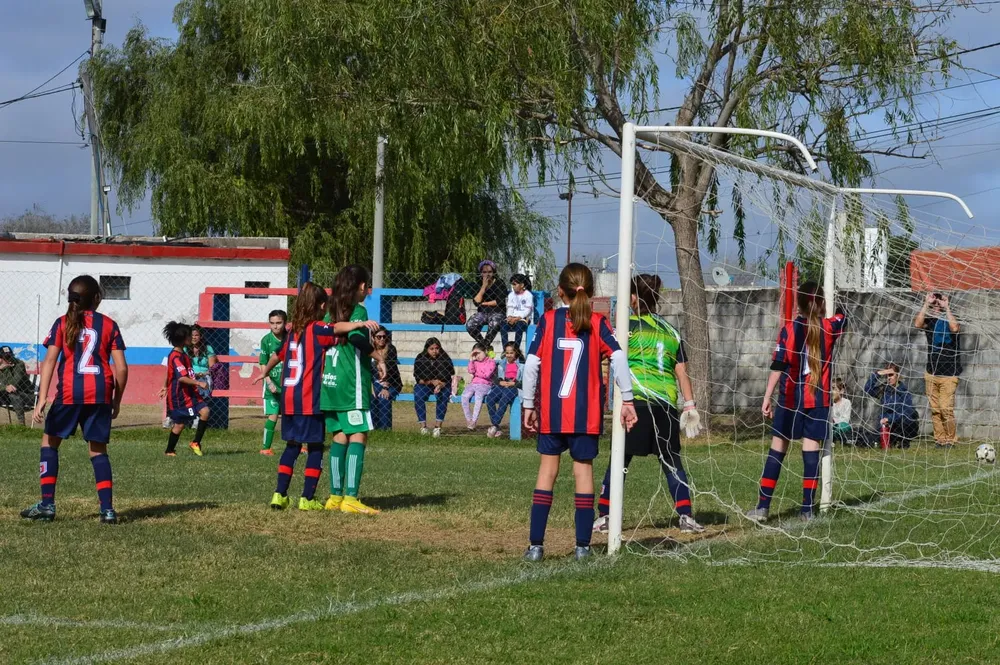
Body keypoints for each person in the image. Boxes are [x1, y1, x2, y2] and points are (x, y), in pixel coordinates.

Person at [521, 263, 638, 562]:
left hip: (553, 413)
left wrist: (528, 404)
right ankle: (582, 548)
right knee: (583, 473)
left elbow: (532, 364)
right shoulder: (598, 322)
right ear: (592, 291)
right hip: (585, 417)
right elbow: (619, 359)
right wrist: (627, 399)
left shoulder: (548, 320)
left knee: (547, 473)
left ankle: (536, 547)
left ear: (560, 292)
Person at [593, 274, 706, 535]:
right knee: (671, 461)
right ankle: (686, 515)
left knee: (620, 460)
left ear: (633, 297)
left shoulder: (624, 327)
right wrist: (690, 405)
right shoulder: (671, 331)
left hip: (636, 403)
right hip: (666, 405)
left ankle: (606, 514)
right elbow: (681, 372)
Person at [256, 281, 378, 511]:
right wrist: (358, 323)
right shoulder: (317, 329)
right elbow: (337, 329)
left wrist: (264, 372)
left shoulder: (292, 333)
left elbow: (277, 355)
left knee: (291, 446)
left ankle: (279, 494)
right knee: (314, 448)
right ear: (322, 306)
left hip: (289, 400)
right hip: (309, 399)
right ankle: (307, 498)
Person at [21, 275, 129, 524]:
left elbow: (49, 361)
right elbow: (121, 369)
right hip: (101, 393)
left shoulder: (61, 323)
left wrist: (42, 398)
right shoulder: (109, 325)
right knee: (98, 451)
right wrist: (117, 399)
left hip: (70, 394)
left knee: (49, 443)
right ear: (97, 299)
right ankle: (108, 510)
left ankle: (47, 504)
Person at [748, 281, 846, 523]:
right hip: (818, 400)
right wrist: (833, 299)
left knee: (777, 450)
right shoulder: (830, 328)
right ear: (821, 303)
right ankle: (806, 511)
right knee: (810, 453)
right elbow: (844, 315)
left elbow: (778, 366)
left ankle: (762, 507)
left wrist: (767, 396)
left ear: (799, 304)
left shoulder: (789, 330)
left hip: (790, 400)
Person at [321, 265, 386, 516]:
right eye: (367, 285)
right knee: (359, 435)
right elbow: (357, 338)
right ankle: (350, 497)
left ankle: (335, 496)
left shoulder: (329, 310)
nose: (367, 290)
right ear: (361, 286)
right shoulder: (358, 310)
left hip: (330, 383)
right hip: (351, 384)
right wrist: (377, 356)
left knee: (339, 436)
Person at [914, 292, 961, 447]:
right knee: (935, 409)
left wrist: (946, 307)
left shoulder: (951, 319)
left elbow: (954, 328)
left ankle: (950, 440)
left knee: (945, 408)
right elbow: (917, 324)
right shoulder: (931, 322)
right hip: (931, 372)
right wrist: (926, 303)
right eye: (934, 304)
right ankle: (939, 440)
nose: (936, 306)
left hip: (949, 374)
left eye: (938, 304)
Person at [161, 322, 211, 457]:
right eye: (190, 336)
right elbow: (181, 378)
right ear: (184, 338)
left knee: (205, 412)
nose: (192, 338)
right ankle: (169, 450)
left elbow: (173, 374)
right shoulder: (176, 357)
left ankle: (196, 442)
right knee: (179, 424)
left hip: (190, 392)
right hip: (179, 395)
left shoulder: (183, 354)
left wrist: (165, 386)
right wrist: (198, 383)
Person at [862, 363, 919, 449]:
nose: (889, 378)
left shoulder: (904, 392)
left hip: (900, 425)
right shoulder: (883, 390)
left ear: (898, 375)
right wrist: (877, 374)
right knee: (869, 438)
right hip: (886, 425)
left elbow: (907, 412)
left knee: (909, 417)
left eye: (891, 375)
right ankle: (890, 441)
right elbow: (867, 388)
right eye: (887, 376)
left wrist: (890, 419)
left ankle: (904, 441)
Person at [413, 337, 455, 438]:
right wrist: (431, 381)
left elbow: (449, 376)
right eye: (431, 349)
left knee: (443, 396)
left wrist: (440, 385)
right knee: (418, 394)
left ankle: (437, 427)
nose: (434, 351)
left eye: (437, 348)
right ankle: (423, 427)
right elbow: (418, 378)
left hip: (442, 385)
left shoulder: (445, 358)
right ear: (427, 349)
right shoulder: (420, 358)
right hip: (425, 384)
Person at [258, 309, 287, 456]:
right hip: (272, 385)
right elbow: (263, 363)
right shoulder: (266, 340)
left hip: (289, 385)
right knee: (273, 415)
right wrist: (268, 381)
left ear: (285, 323)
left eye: (279, 323)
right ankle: (265, 447)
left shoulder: (290, 338)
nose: (275, 326)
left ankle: (300, 445)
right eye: (272, 323)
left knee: (294, 416)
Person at [466, 259, 508, 353]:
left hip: (497, 312)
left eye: (490, 272)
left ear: (494, 272)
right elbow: (476, 302)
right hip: (483, 312)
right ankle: (485, 345)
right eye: (484, 272)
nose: (487, 274)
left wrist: (484, 303)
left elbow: (499, 301)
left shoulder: (499, 283)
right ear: (481, 273)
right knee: (470, 325)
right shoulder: (478, 284)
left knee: (494, 322)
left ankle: (484, 347)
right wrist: (483, 287)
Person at [485, 342, 523, 438]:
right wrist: (500, 382)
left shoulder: (522, 364)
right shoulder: (502, 363)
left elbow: (526, 380)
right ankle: (496, 426)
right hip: (503, 384)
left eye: (511, 353)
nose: (509, 355)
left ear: (516, 353)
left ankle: (494, 425)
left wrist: (514, 383)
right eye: (507, 353)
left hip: (514, 386)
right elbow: (495, 377)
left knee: (504, 398)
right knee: (489, 398)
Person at [370, 326, 401, 430]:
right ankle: (374, 428)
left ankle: (385, 430)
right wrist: (370, 385)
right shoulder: (369, 350)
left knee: (383, 397)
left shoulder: (391, 349)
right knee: (371, 397)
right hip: (374, 382)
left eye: (384, 337)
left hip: (392, 383)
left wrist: (386, 388)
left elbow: (392, 371)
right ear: (373, 338)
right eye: (379, 337)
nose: (382, 339)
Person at [461, 343, 496, 431]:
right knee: (464, 396)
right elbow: (470, 370)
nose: (477, 356)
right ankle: (469, 420)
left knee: (478, 396)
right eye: (475, 354)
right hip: (474, 383)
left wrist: (476, 374)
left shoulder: (491, 362)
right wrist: (471, 360)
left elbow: (487, 375)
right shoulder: (475, 362)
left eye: (479, 353)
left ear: (485, 351)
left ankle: (474, 420)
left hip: (485, 384)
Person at [0, 345, 34, 425]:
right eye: (6, 358)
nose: (9, 360)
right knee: (10, 393)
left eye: (10, 356)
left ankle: (21, 425)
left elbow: (14, 384)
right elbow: (6, 387)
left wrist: (5, 369)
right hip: (7, 396)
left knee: (13, 393)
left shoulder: (19, 364)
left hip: (27, 396)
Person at [501, 274, 534, 351]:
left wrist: (517, 318)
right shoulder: (511, 295)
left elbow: (527, 311)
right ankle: (506, 349)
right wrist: (509, 317)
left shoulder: (528, 295)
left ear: (522, 285)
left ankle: (516, 350)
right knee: (503, 326)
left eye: (515, 284)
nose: (513, 286)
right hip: (512, 318)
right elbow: (510, 308)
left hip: (523, 319)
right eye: (512, 284)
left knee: (519, 327)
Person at [186, 324, 217, 401]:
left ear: (201, 336)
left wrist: (203, 374)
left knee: (202, 382)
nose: (194, 337)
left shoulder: (208, 348)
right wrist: (194, 374)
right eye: (192, 335)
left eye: (196, 335)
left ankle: (199, 403)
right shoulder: (185, 349)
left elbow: (212, 368)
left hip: (204, 375)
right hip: (190, 376)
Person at [831, 377, 853, 445]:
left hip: (841, 427)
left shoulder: (846, 402)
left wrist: (835, 421)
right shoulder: (828, 403)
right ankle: (830, 440)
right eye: (830, 389)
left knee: (844, 426)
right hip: (830, 427)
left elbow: (846, 419)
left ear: (841, 391)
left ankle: (843, 440)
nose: (831, 391)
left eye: (834, 389)